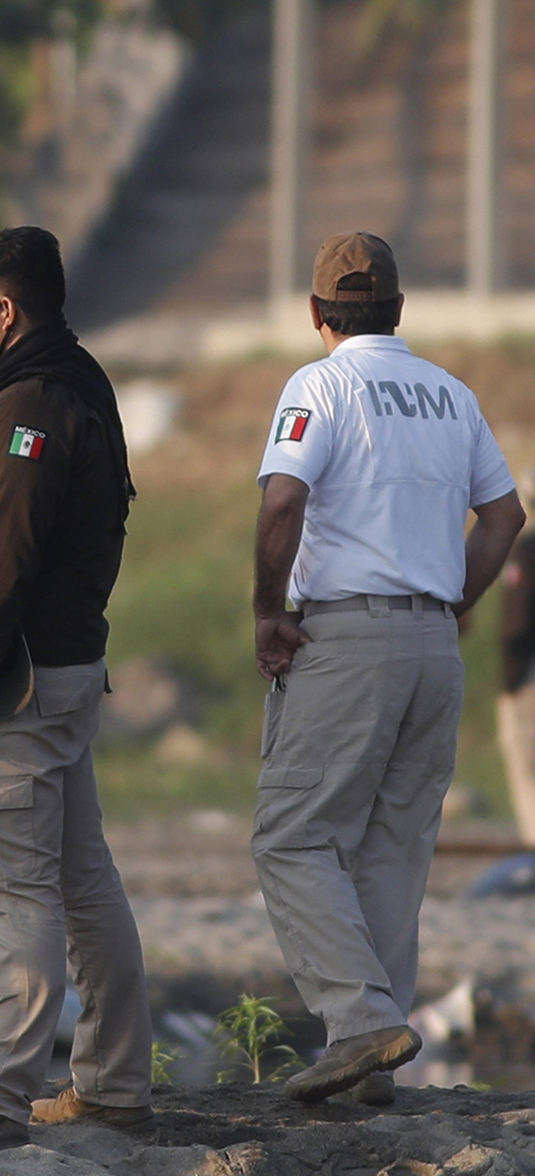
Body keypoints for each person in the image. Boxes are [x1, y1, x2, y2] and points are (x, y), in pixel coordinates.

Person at [251, 232, 525, 1105]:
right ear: (400, 310)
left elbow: (285, 498)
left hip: (349, 638)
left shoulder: (320, 385)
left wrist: (266, 610)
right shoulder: (451, 393)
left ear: (316, 314)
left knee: (294, 836)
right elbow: (506, 515)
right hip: (431, 648)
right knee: (393, 852)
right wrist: (457, 601)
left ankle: (361, 1020)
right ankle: (374, 1063)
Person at [0, 226, 154, 1148]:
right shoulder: (80, 381)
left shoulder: (33, 408)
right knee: (84, 887)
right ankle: (115, 1083)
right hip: (66, 672)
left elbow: (1, 562)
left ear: (4, 312)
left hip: (13, 684)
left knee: (11, 893)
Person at [499, 513, 535, 846]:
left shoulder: (528, 548)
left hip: (528, 677)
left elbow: (518, 619)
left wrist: (511, 674)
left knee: (527, 768)